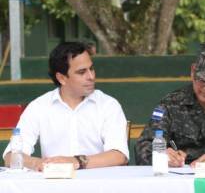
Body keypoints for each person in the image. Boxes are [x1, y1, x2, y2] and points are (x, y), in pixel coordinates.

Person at [2, 42, 129, 171]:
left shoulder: (108, 105)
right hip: (53, 186)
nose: (91, 77)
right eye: (82, 72)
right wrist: (38, 164)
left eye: (91, 69)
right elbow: (10, 157)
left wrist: (76, 161)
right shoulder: (39, 107)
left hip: (99, 186)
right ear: (62, 78)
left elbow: (119, 156)